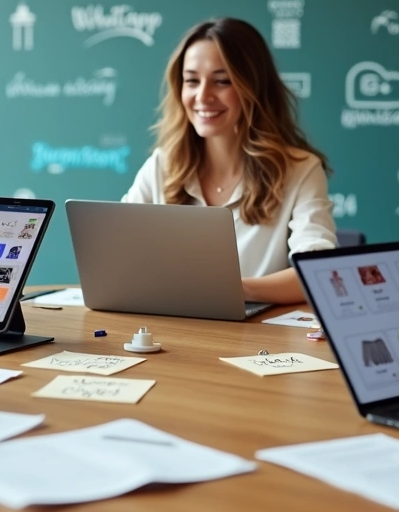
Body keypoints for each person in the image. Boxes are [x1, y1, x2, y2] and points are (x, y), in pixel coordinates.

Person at [122, 18, 336, 304]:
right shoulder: (162, 165)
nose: (202, 96)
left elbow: (318, 272)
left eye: (222, 81)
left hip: (254, 330)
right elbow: (117, 253)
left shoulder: (301, 170)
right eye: (192, 81)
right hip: (169, 325)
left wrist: (234, 290)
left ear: (254, 87)